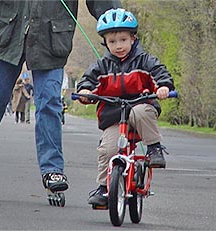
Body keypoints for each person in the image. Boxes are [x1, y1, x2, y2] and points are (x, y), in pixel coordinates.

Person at [0, 0, 122, 202]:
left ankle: (52, 170)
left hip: (51, 40)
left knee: (49, 104)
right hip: (7, 34)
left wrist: (115, 25)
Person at [76, 8, 175, 206]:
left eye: (123, 40)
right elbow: (88, 81)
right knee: (108, 149)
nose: (118, 46)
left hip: (140, 110)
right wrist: (85, 93)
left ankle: (154, 148)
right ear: (105, 43)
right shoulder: (102, 66)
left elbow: (159, 74)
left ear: (133, 38)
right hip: (114, 116)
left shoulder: (144, 61)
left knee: (140, 110)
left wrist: (164, 87)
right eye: (112, 42)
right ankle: (105, 188)